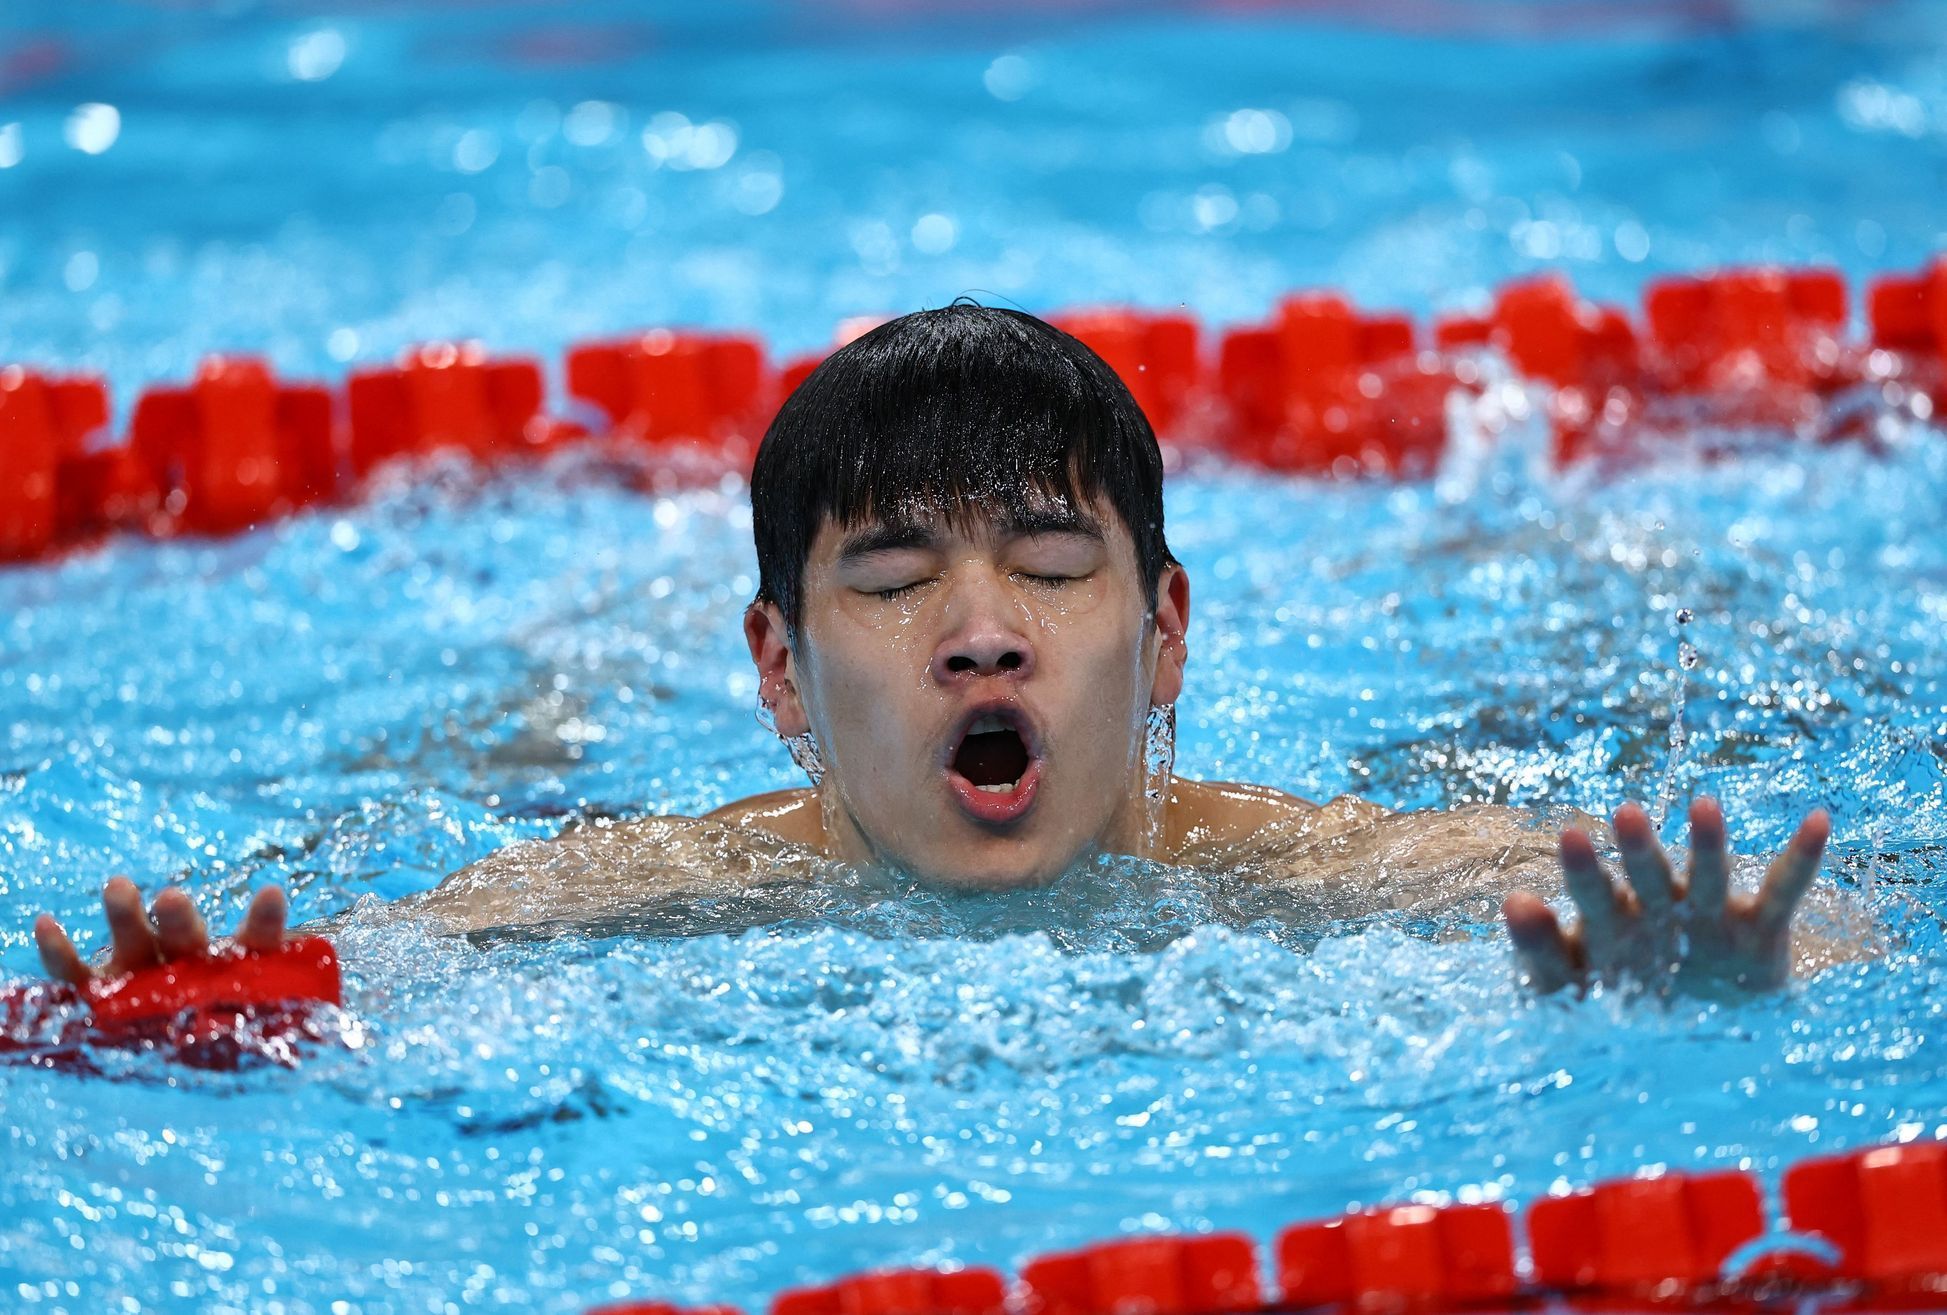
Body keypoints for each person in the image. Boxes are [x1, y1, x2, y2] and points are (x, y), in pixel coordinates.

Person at [32, 304, 1841, 1000]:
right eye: (890, 587)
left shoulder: (1299, 874)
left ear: (1168, 631)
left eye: (1054, 567)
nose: (982, 635)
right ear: (774, 671)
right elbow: (388, 969)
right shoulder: (658, 890)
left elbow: (1844, 930)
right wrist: (210, 1015)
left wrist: (1730, 976)